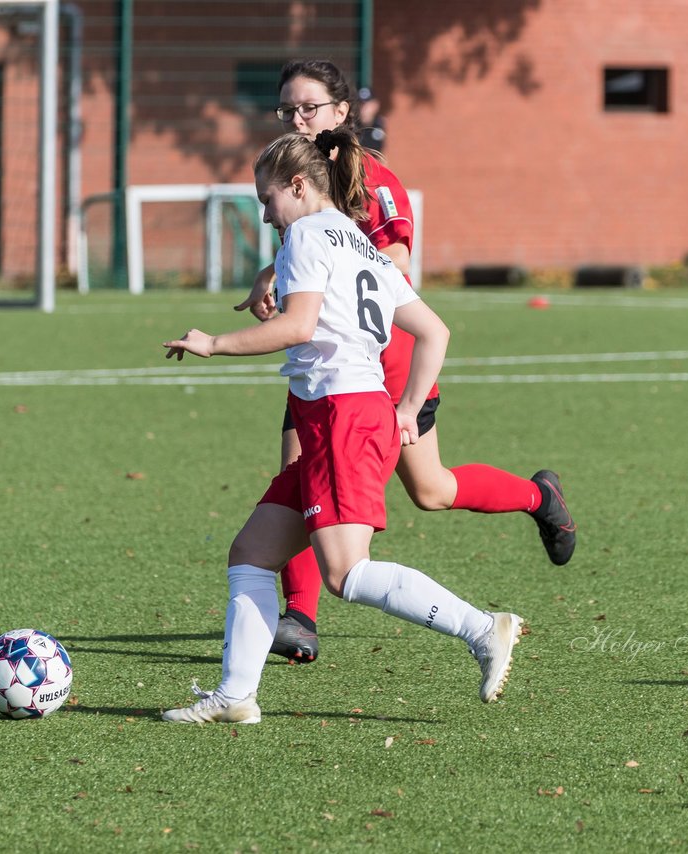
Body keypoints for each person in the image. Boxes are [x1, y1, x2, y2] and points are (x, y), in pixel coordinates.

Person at [160, 127, 522, 724]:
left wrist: (214, 343)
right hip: (352, 411)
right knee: (251, 554)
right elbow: (435, 332)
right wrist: (404, 409)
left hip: (341, 416)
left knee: (346, 572)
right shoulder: (358, 241)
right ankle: (235, 697)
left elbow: (299, 326)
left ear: (298, 185)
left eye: (267, 198)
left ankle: (484, 629)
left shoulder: (304, 233)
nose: (266, 212)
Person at [238, 59, 575, 665]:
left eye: (308, 107)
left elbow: (390, 254)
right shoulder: (298, 184)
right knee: (293, 472)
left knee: (433, 489)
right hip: (325, 365)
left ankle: (537, 497)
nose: (296, 118)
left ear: (342, 113)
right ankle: (301, 618)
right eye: (286, 109)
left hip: (384, 364)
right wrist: (274, 272)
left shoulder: (372, 179)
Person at [356, 86, 386, 153]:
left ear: (375, 105)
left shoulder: (380, 125)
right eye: (360, 104)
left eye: (366, 105)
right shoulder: (352, 126)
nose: (363, 109)